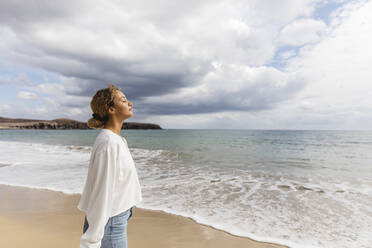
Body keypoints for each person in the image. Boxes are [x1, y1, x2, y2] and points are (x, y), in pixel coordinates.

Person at [77, 84, 142, 248]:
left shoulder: (117, 140)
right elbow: (102, 191)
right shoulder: (109, 142)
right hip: (110, 225)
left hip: (115, 220)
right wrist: (91, 241)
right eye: (123, 100)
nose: (130, 103)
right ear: (111, 109)